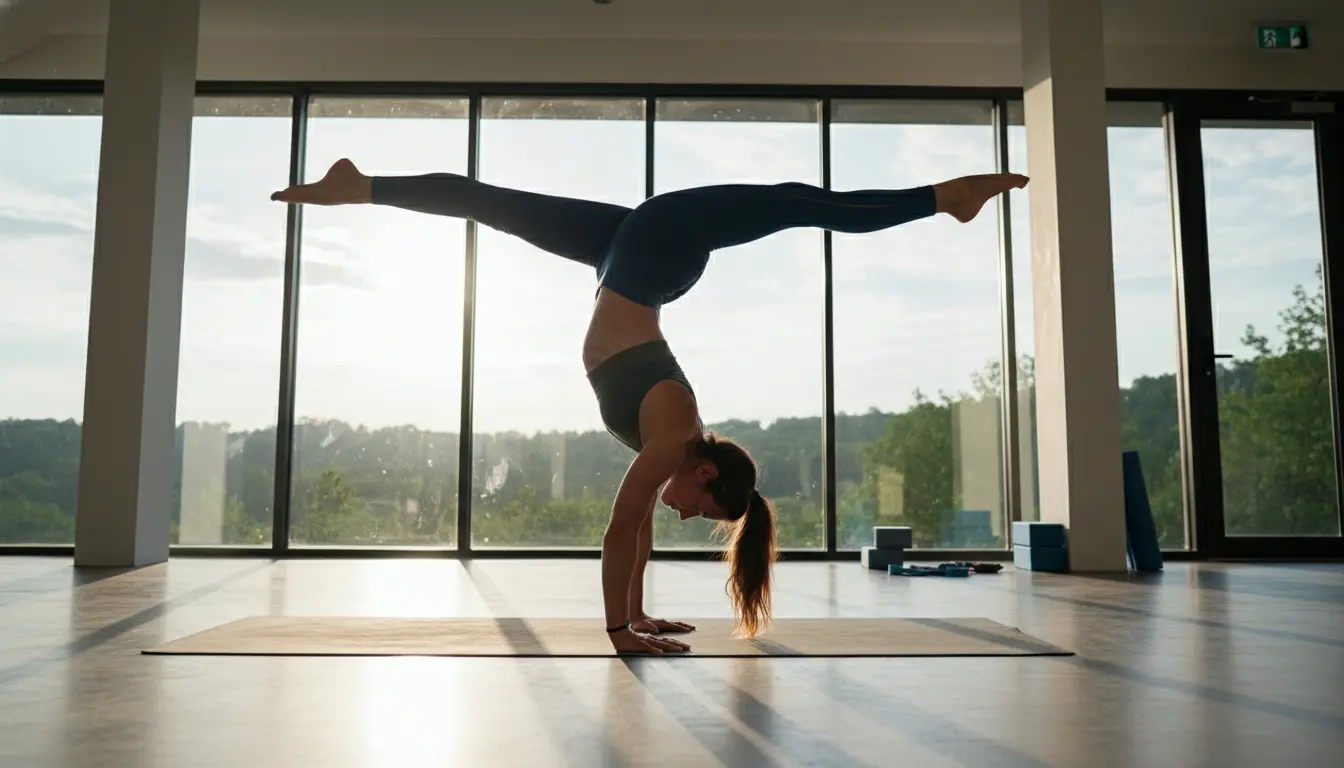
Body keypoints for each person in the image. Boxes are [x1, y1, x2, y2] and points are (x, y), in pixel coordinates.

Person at [272, 159, 1028, 655]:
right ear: (704, 471)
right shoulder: (671, 435)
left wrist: (637, 617)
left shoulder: (673, 442)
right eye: (703, 510)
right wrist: (616, 631)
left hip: (626, 254)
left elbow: (632, 539)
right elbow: (618, 532)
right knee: (795, 203)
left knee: (490, 204)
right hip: (657, 245)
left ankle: (361, 186)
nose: (687, 517)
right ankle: (942, 199)